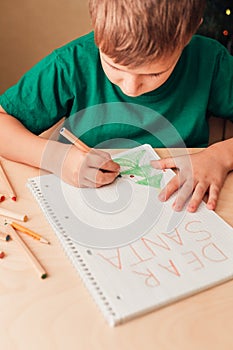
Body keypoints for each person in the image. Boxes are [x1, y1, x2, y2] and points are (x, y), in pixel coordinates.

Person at [0, 0, 233, 213]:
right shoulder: (71, 64)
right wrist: (55, 158)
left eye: (154, 73)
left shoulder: (211, 62)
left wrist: (220, 156)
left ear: (189, 34)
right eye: (115, 67)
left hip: (178, 210)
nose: (131, 87)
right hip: (80, 206)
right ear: (96, 25)